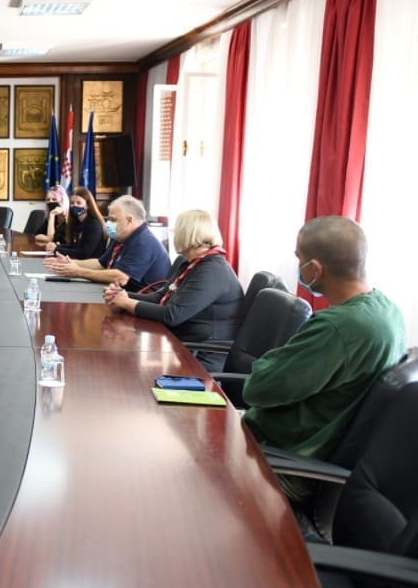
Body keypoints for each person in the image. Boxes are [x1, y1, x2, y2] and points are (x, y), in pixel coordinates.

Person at [241, 216, 406, 503]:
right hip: (310, 455)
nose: (298, 267)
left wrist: (271, 363)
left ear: (315, 269)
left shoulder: (338, 327)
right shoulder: (389, 312)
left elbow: (257, 389)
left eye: (299, 259)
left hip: (283, 463)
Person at [103, 209, 243, 369]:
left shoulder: (212, 270)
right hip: (180, 342)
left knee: (129, 364)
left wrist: (127, 303)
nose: (174, 234)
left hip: (201, 354)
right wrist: (121, 295)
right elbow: (160, 298)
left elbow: (172, 315)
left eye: (177, 230)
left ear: (187, 234)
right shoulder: (189, 262)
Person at [44, 195, 170, 290]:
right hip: (118, 293)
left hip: (140, 302)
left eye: (113, 220)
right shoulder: (121, 236)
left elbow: (120, 277)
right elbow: (101, 264)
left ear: (129, 220)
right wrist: (71, 263)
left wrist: (78, 272)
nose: (109, 224)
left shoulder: (143, 241)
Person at [46, 187, 107, 259]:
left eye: (79, 203)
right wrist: (57, 246)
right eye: (72, 203)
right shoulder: (77, 223)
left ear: (88, 205)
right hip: (78, 262)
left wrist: (57, 249)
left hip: (90, 263)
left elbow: (84, 253)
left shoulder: (93, 224)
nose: (75, 205)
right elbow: (74, 246)